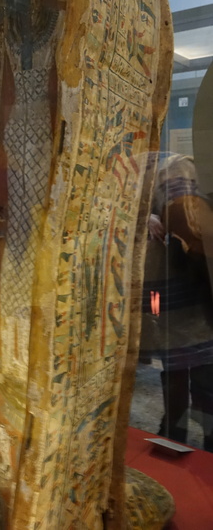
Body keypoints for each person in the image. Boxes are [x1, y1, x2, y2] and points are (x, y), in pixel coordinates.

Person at [141, 153, 213, 451]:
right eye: (169, 183)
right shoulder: (160, 214)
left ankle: (184, 439)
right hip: (176, 312)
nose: (176, 188)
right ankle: (175, 437)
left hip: (196, 313)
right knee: (181, 385)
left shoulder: (195, 208)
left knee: (201, 386)